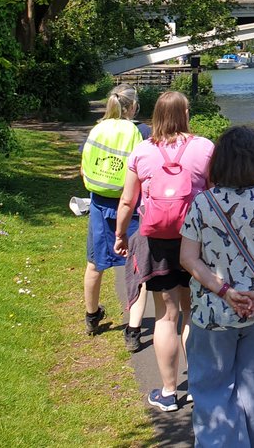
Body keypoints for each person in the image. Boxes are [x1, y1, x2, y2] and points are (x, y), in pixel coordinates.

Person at [179, 125, 254, 448]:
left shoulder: (203, 204)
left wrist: (225, 291)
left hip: (214, 311)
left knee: (213, 389)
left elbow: (188, 258)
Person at [115, 90, 215, 412]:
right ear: (184, 113)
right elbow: (215, 195)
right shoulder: (204, 148)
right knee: (192, 313)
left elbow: (129, 201)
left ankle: (169, 392)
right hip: (195, 240)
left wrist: (121, 234)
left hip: (156, 241)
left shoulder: (142, 151)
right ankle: (199, 387)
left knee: (165, 315)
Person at [79, 84, 148, 350]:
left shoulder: (97, 129)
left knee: (95, 263)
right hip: (130, 206)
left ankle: (92, 315)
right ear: (134, 107)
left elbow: (84, 169)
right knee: (137, 268)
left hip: (99, 203)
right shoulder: (141, 132)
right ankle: (133, 330)